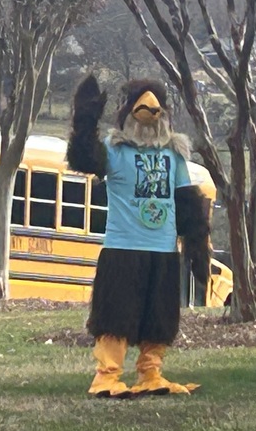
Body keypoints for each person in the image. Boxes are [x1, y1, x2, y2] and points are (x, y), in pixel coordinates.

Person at [66, 74, 206, 398]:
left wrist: (197, 245)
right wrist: (86, 120)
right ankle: (106, 376)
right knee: (116, 315)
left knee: (159, 316)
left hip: (163, 250)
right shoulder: (114, 152)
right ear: (127, 112)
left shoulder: (174, 156)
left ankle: (151, 372)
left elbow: (186, 202)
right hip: (122, 248)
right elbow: (83, 158)